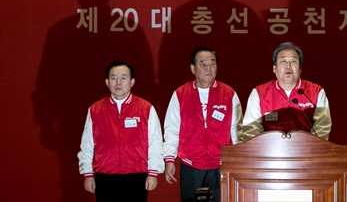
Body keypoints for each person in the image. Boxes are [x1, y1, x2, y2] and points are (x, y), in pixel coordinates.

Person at [163, 47, 242, 202]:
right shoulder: (180, 94)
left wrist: (237, 160)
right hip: (191, 164)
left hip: (221, 164)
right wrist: (169, 159)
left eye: (212, 63)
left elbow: (237, 130)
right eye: (203, 64)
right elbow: (172, 129)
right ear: (193, 68)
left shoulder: (229, 94)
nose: (208, 68)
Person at [78, 61, 164, 202]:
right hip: (104, 176)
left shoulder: (146, 108)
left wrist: (153, 173)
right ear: (107, 82)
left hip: (136, 176)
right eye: (113, 78)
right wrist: (88, 174)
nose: (118, 82)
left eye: (123, 78)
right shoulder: (95, 110)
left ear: (132, 82)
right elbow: (87, 144)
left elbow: (155, 143)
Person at [242, 42, 331, 140]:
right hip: (269, 148)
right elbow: (251, 130)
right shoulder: (259, 93)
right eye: (283, 61)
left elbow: (322, 128)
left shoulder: (316, 92)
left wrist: (310, 147)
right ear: (274, 68)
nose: (288, 66)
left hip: (307, 148)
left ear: (300, 69)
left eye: (293, 61)